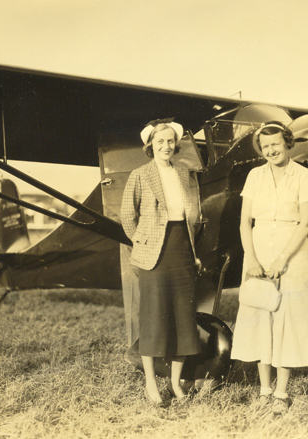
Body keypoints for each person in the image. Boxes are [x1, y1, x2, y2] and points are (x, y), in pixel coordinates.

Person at [230, 121, 308, 415]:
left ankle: (281, 394)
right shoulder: (255, 176)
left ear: (287, 143)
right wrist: (252, 258)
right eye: (265, 146)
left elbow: (306, 223)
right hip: (257, 251)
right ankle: (264, 390)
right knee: (261, 317)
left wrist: (282, 258)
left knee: (287, 320)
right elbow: (245, 222)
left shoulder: (304, 176)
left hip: (292, 253)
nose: (271, 150)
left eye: (276, 144)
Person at [121, 119, 201, 407]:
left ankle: (175, 383)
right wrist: (143, 243)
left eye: (170, 141)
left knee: (183, 319)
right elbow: (127, 217)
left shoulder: (183, 172)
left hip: (182, 249)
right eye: (160, 142)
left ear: (176, 144)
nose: (166, 146)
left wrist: (193, 252)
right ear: (150, 146)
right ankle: (151, 384)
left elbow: (190, 217)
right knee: (153, 318)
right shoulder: (140, 175)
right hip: (154, 254)